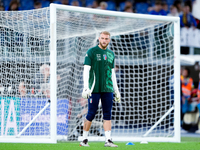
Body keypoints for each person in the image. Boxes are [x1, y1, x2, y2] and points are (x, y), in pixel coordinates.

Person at [80, 31, 120, 147]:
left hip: (107, 88)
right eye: (102, 38)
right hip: (94, 88)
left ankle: (108, 140)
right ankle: (84, 140)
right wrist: (86, 87)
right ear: (99, 39)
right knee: (91, 113)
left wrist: (116, 90)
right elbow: (86, 70)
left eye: (106, 38)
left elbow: (112, 74)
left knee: (107, 114)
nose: (104, 40)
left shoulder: (111, 54)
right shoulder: (91, 52)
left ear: (109, 40)